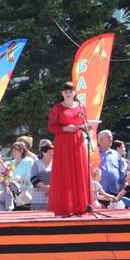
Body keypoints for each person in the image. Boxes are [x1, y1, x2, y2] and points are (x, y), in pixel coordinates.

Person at [47, 82, 92, 216]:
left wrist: (86, 127)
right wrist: (65, 128)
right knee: (64, 172)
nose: (68, 93)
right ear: (62, 93)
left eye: (70, 90)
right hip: (63, 142)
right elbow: (51, 127)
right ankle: (64, 207)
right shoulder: (57, 108)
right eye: (65, 91)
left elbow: (86, 124)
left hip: (77, 141)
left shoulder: (81, 107)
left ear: (75, 93)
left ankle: (82, 206)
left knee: (80, 171)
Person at [98, 129, 126, 203]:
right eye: (108, 137)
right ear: (100, 140)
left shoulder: (116, 154)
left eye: (111, 137)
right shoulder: (94, 154)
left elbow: (122, 172)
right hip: (100, 193)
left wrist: (122, 187)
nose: (111, 139)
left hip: (115, 192)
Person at [10, 140, 35, 211]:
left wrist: (20, 179)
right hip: (14, 195)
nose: (14, 152)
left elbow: (30, 178)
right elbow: (9, 176)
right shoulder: (12, 163)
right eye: (13, 150)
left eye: (16, 150)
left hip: (26, 195)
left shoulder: (29, 161)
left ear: (22, 151)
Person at [30, 141, 54, 211]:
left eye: (53, 152)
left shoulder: (56, 163)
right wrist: (45, 187)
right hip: (39, 196)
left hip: (52, 195)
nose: (52, 153)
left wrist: (51, 188)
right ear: (43, 153)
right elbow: (33, 178)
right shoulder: (36, 163)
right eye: (50, 152)